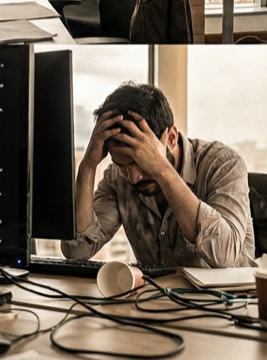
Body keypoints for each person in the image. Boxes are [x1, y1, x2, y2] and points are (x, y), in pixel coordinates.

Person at [61, 82, 256, 268]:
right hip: (154, 301)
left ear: (170, 138)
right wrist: (87, 166)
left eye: (140, 162)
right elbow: (76, 251)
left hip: (229, 301)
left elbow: (225, 254)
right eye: (122, 165)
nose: (133, 177)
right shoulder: (117, 179)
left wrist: (162, 170)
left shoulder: (223, 164)